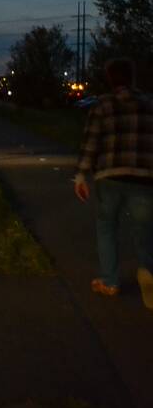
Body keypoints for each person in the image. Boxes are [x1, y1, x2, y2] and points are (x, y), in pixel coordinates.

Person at [73, 58, 153, 309]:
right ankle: (148, 272)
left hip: (109, 176)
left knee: (107, 227)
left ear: (110, 79)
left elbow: (91, 143)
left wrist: (81, 175)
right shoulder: (149, 104)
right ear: (132, 77)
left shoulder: (102, 106)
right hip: (143, 177)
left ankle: (110, 280)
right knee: (145, 230)